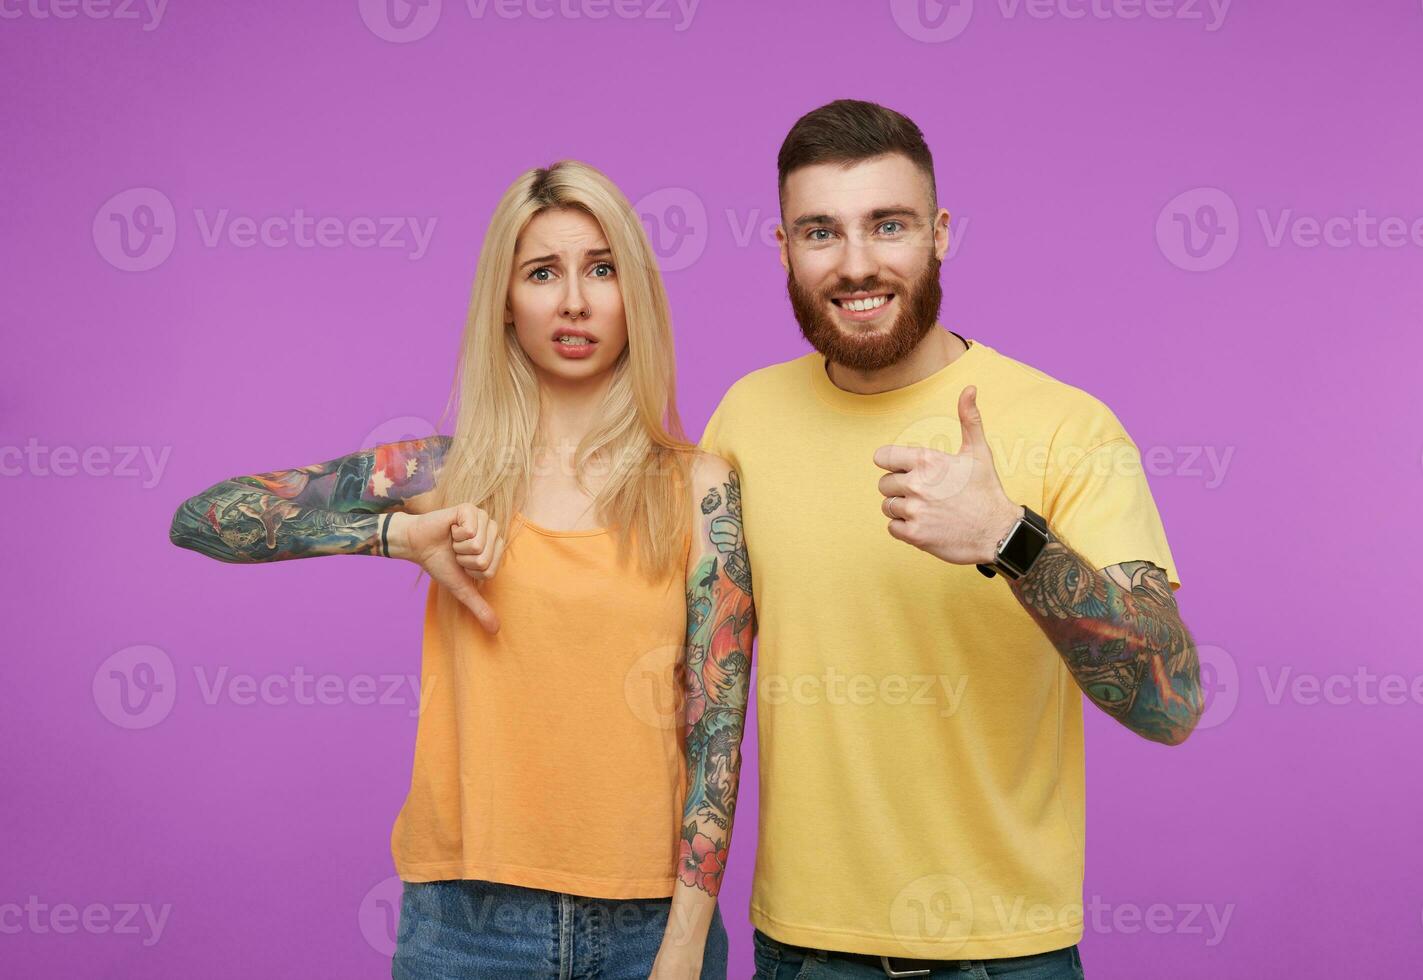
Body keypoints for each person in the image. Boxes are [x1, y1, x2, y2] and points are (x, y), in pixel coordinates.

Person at [168, 160, 753, 979]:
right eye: (543, 273)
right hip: (466, 931)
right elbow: (200, 519)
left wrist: (686, 943)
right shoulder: (440, 473)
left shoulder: (699, 490)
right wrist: (399, 538)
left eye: (602, 269)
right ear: (507, 306)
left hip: (650, 928)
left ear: (636, 298)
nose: (575, 301)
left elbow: (717, 732)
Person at [696, 100, 1204, 979]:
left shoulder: (1068, 426)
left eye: (887, 225)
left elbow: (1171, 701)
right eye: (821, 231)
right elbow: (706, 687)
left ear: (938, 234)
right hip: (804, 953)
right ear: (782, 248)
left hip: (1006, 958)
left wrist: (1011, 538)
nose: (857, 265)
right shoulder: (745, 418)